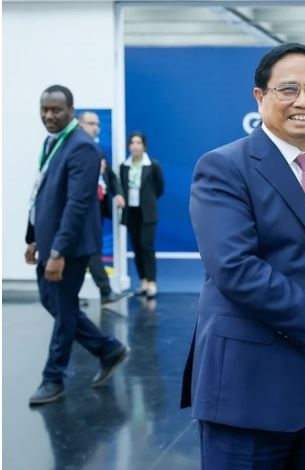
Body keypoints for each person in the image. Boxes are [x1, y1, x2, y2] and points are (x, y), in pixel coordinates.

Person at [180, 43, 305, 469]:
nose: (303, 101)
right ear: (260, 96)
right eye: (288, 89)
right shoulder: (224, 167)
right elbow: (236, 269)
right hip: (248, 394)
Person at [25, 85, 129, 406]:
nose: (49, 115)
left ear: (71, 111)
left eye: (55, 110)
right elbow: (43, 194)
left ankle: (53, 378)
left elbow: (78, 203)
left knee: (64, 310)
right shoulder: (52, 141)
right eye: (44, 109)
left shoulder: (82, 147)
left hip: (70, 246)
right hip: (50, 241)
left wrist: (58, 251)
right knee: (54, 303)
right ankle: (108, 349)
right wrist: (33, 237)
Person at [77, 111, 129, 305]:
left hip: (97, 208)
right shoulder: (76, 149)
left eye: (98, 124)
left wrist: (118, 194)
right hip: (82, 209)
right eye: (91, 123)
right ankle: (105, 291)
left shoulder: (97, 148)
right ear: (80, 125)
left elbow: (110, 176)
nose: (96, 128)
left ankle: (72, 296)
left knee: (87, 251)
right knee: (90, 250)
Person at [119, 132, 164, 299]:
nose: (135, 146)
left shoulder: (153, 165)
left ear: (144, 146)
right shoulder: (124, 167)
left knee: (146, 246)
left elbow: (159, 188)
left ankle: (152, 282)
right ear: (129, 146)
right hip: (131, 212)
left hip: (147, 212)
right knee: (137, 247)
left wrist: (148, 201)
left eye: (139, 143)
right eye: (132, 142)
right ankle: (143, 281)